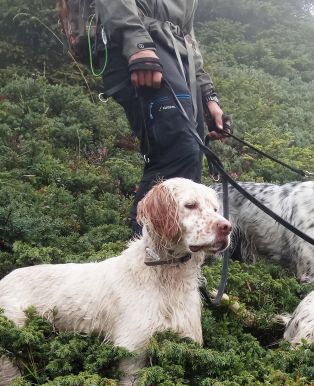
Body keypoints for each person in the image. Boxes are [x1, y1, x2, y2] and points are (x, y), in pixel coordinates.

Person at [96, 0, 228, 236]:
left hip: (176, 56)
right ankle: (145, 258)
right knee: (177, 150)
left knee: (191, 159)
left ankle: (175, 263)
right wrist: (138, 45)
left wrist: (208, 95)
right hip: (135, 43)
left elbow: (188, 40)